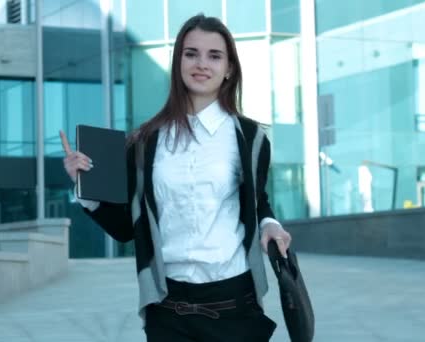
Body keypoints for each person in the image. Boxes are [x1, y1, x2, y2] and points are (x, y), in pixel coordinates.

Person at [60, 13, 292, 342]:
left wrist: (270, 225)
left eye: (215, 56)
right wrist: (86, 188)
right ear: (178, 62)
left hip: (235, 304)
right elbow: (126, 229)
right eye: (191, 53)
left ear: (229, 69)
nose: (202, 64)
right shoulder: (144, 141)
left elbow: (258, 201)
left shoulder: (251, 138)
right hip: (168, 309)